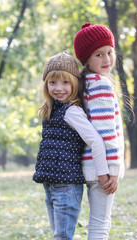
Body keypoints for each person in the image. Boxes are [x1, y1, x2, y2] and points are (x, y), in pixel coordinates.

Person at [33, 52, 108, 240]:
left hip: (66, 186)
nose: (59, 88)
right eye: (53, 82)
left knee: (62, 236)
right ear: (46, 84)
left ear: (74, 83)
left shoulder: (72, 111)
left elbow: (95, 140)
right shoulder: (50, 111)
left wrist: (103, 172)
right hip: (51, 185)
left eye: (65, 82)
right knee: (59, 235)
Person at [73, 22, 125, 239]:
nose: (107, 59)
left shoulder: (85, 83)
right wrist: (112, 169)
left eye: (110, 52)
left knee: (98, 221)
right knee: (100, 223)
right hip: (102, 167)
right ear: (86, 59)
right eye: (99, 54)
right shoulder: (101, 85)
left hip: (89, 163)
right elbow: (106, 133)